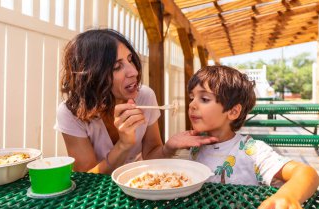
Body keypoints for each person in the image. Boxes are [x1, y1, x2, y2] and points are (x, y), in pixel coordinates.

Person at [55, 29, 217, 174]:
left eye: (130, 59)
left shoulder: (145, 96)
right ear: (93, 76)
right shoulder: (70, 113)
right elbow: (87, 178)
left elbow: (151, 155)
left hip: (138, 183)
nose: (134, 71)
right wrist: (123, 145)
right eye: (117, 67)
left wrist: (169, 147)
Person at [187, 65, 319, 209]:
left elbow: (307, 173)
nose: (192, 105)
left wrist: (287, 196)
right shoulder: (195, 145)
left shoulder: (252, 150)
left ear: (233, 111)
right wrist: (170, 148)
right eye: (192, 97)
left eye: (204, 99)